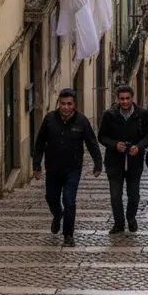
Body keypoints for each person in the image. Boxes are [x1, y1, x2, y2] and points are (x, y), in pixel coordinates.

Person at [33, 88, 103, 247]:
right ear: (59, 103)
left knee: (69, 200)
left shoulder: (82, 121)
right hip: (53, 168)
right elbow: (39, 143)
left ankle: (68, 235)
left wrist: (97, 163)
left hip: (73, 168)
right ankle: (58, 215)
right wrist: (36, 164)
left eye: (69, 104)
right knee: (51, 198)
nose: (66, 107)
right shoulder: (50, 119)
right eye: (63, 104)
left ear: (74, 105)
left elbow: (91, 142)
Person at [97, 84, 148, 235]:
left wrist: (139, 147)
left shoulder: (142, 114)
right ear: (118, 99)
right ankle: (119, 223)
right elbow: (101, 136)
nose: (125, 102)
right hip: (114, 161)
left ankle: (131, 218)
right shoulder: (109, 114)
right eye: (122, 99)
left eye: (127, 98)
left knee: (133, 194)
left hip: (135, 160)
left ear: (132, 98)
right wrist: (115, 145)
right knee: (115, 195)